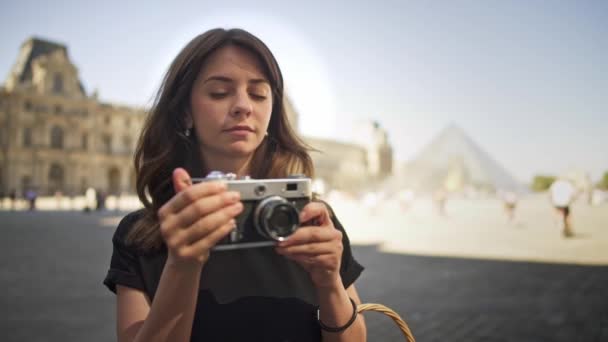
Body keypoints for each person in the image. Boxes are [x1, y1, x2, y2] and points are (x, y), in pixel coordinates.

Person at [103, 28, 366, 342]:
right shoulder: (141, 235)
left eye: (258, 94)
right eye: (219, 92)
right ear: (185, 112)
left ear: (272, 112)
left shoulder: (311, 218)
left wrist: (330, 284)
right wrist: (182, 267)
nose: (244, 106)